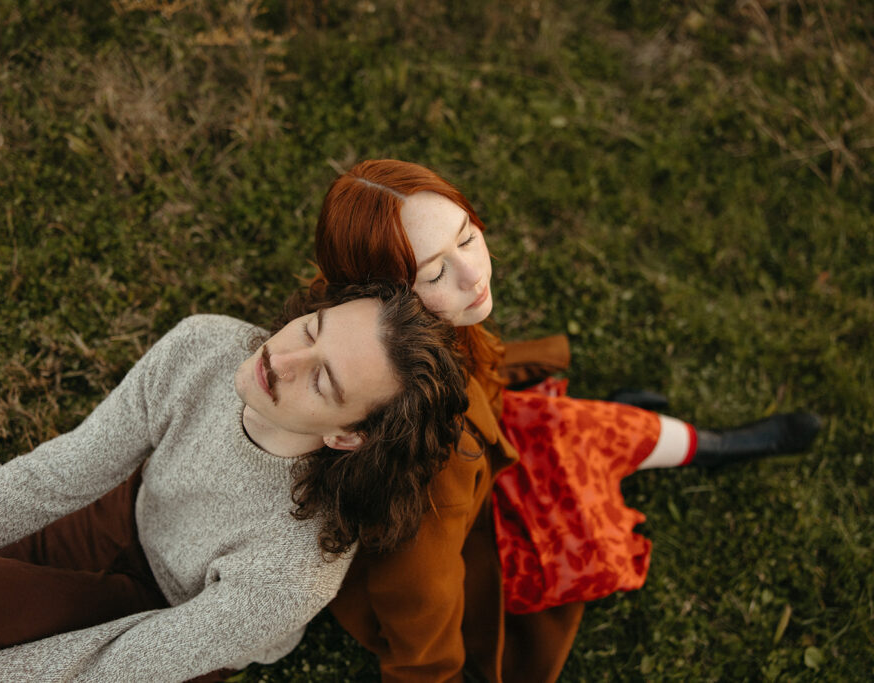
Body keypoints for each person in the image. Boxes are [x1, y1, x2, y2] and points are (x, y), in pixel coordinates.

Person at [312, 159, 821, 683]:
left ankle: (708, 445)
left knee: (592, 426)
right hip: (478, 524)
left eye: (466, 237)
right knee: (584, 514)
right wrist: (438, 673)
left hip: (489, 433)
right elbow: (420, 588)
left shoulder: (383, 324)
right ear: (383, 303)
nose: (474, 274)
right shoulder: (429, 454)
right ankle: (705, 446)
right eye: (436, 272)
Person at [0, 281, 469, 682]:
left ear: (347, 436)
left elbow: (105, 668)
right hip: (122, 515)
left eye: (323, 382)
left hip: (172, 621)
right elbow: (55, 476)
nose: (280, 360)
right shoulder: (205, 347)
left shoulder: (296, 568)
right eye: (312, 329)